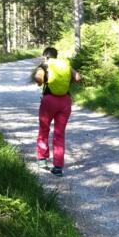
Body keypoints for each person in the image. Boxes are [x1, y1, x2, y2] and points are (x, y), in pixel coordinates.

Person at [32, 47, 81, 177]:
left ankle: (42, 159)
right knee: (59, 134)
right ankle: (58, 167)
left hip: (49, 101)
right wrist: (66, 84)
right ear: (56, 56)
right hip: (65, 101)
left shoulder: (44, 65)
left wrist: (41, 82)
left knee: (44, 129)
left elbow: (38, 79)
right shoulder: (65, 65)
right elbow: (77, 77)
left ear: (45, 56)